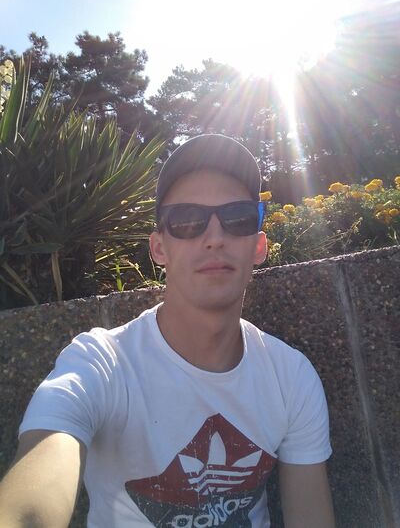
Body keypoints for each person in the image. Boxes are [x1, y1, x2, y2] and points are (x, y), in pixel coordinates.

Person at [0, 134, 335, 528]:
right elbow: (37, 478)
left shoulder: (291, 377)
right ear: (159, 249)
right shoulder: (101, 365)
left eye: (238, 217)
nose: (215, 238)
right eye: (187, 220)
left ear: (258, 246)